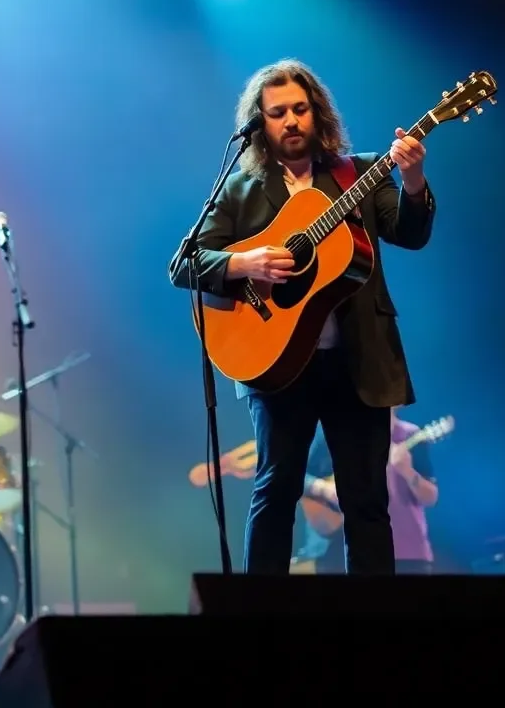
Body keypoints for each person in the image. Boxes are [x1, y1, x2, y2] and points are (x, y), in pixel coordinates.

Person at [170, 59, 435, 574]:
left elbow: (411, 233)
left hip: (358, 360)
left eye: (299, 109)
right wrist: (243, 261)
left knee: (366, 500)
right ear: (259, 123)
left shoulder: (359, 173)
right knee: (276, 491)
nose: (290, 121)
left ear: (318, 114)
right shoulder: (240, 189)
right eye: (277, 113)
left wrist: (414, 179)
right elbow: (184, 265)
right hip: (275, 362)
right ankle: (260, 623)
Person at [300, 409, 440, 574]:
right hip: (341, 550)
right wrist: (325, 489)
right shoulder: (333, 433)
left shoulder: (411, 435)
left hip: (405, 553)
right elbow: (294, 474)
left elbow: (431, 498)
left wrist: (408, 472)